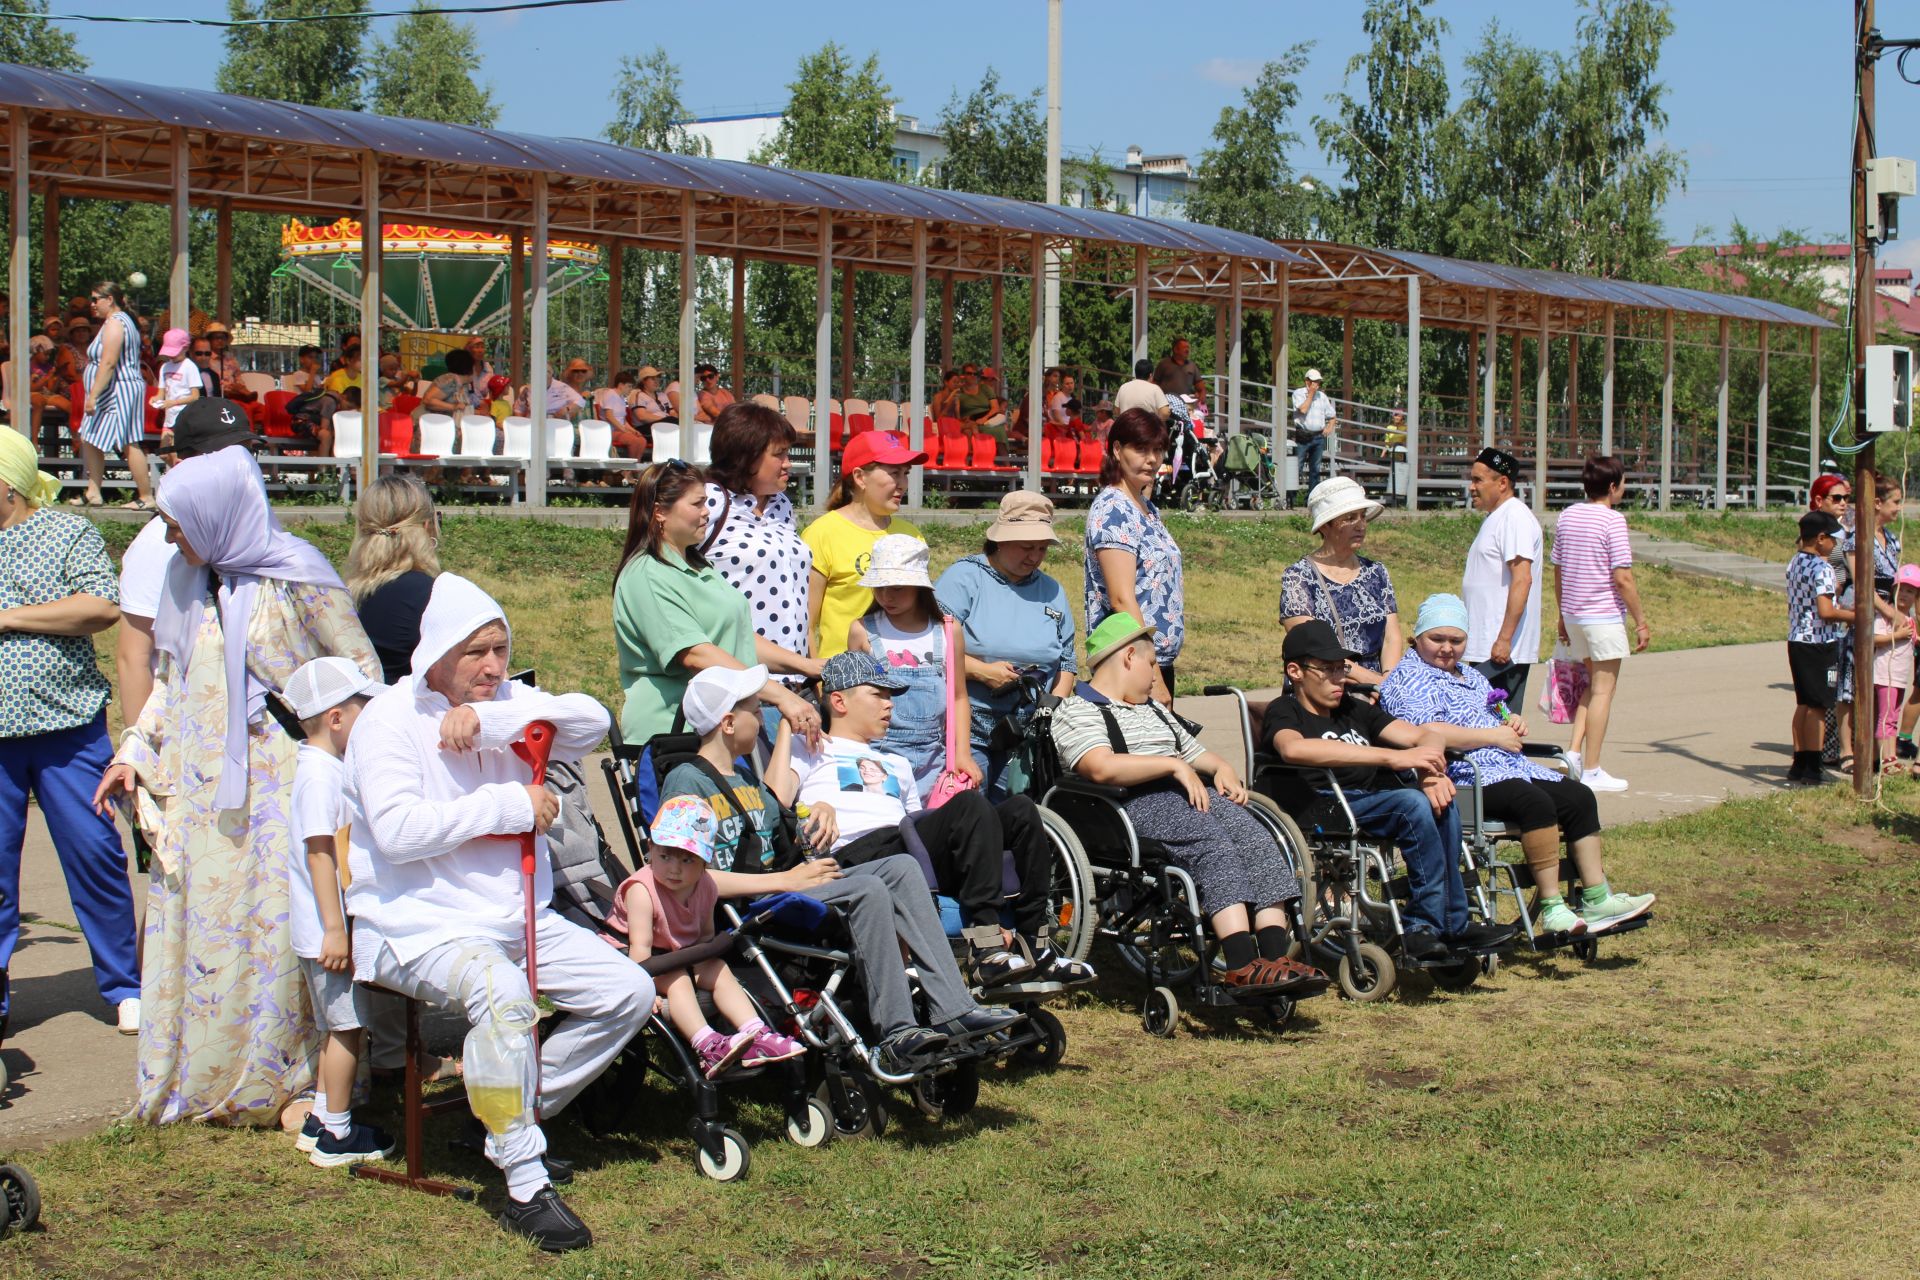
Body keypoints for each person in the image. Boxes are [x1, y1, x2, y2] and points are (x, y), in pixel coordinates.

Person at [344, 573, 650, 1251]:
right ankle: (523, 1180)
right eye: (474, 651)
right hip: (416, 925)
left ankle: (507, 1117)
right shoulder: (387, 721)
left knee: (630, 990)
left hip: (514, 918)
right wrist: (509, 810)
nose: (491, 665)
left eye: (500, 649)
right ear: (436, 653)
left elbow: (593, 721)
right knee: (504, 994)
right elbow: (397, 832)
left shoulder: (506, 701)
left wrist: (492, 720)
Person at [92, 443, 381, 1125]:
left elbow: (361, 675)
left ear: (219, 516)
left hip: (279, 793)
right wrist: (134, 749)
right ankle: (207, 1079)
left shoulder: (296, 579)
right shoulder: (184, 580)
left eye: (178, 523)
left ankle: (288, 1085)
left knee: (277, 934)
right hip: (202, 797)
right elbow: (170, 679)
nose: (169, 537)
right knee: (211, 934)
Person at [663, 665, 1018, 1070]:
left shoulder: (748, 782)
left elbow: (785, 825)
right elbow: (686, 879)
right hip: (746, 906)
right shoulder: (687, 782)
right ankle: (897, 1031)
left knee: (901, 867)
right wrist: (786, 879)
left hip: (784, 885)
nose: (762, 716)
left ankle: (953, 1007)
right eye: (753, 709)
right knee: (868, 888)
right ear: (728, 723)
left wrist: (820, 809)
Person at [1055, 615, 1322, 991]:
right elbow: (1099, 766)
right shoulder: (1078, 710)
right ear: (1129, 656)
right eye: (1152, 665)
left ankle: (1276, 958)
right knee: (1211, 843)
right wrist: (1173, 766)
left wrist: (1222, 767)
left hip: (1186, 795)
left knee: (1257, 837)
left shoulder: (1155, 711)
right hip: (1129, 805)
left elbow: (1196, 753)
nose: (1155, 676)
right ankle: (1241, 961)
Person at [793, 651, 1087, 990]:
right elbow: (777, 797)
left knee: (1021, 810)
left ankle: (1037, 944)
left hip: (906, 850)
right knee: (969, 805)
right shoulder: (811, 748)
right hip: (858, 855)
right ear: (839, 701)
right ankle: (986, 945)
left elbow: (915, 822)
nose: (889, 705)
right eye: (878, 694)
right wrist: (790, 724)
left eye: (891, 696)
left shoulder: (896, 763)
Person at [1379, 594, 1656, 936]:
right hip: (1461, 774)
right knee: (1533, 803)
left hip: (1507, 765)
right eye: (1437, 639)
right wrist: (1493, 736)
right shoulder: (1409, 678)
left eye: (1457, 640)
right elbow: (1425, 732)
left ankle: (1597, 896)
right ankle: (1553, 907)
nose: (1447, 648)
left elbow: (1496, 714)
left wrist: (1510, 722)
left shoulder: (1470, 675)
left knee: (1579, 797)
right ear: (1417, 637)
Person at [1260, 620, 1516, 961]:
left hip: (1369, 802)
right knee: (1411, 803)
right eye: (1328, 670)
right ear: (1295, 671)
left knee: (1439, 797)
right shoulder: (1285, 710)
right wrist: (1392, 758)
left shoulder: (1354, 708)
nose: (1340, 679)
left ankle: (1453, 923)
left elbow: (1423, 735)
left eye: (1343, 668)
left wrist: (1430, 771)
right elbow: (1294, 750)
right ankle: (1421, 927)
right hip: (1319, 804)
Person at [0, 428, 141, 1039]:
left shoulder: (65, 532)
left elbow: (100, 607)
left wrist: (6, 617)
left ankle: (123, 984)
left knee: (93, 855)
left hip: (68, 728)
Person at [613, 460, 822, 752]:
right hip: (677, 736)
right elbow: (696, 654)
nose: (707, 512)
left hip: (724, 729)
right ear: (660, 512)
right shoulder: (646, 575)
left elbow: (738, 638)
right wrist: (778, 694)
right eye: (698, 504)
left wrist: (808, 666)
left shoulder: (699, 566)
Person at [282, 656, 396, 1168]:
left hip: (324, 928)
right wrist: (336, 929)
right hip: (327, 931)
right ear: (334, 718)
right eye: (360, 710)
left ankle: (323, 1118)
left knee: (337, 1026)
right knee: (347, 1028)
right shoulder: (321, 777)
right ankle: (337, 1133)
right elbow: (320, 854)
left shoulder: (322, 769)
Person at [608, 794, 804, 1078]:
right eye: (665, 856)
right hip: (634, 959)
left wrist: (704, 966)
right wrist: (643, 987)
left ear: (705, 861)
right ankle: (707, 1046)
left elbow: (704, 941)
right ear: (650, 849)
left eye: (687, 859)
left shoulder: (705, 886)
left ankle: (755, 1033)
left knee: (718, 968)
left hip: (675, 953)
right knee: (678, 980)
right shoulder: (642, 890)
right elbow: (640, 950)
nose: (674, 869)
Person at [114, 398, 261, 730]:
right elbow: (133, 658)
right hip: (184, 730)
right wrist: (143, 761)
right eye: (223, 454)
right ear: (181, 460)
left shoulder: (254, 529)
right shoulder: (160, 542)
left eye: (246, 451)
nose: (240, 464)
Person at [935, 491, 1079, 800]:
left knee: (1018, 813)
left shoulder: (1052, 591)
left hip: (1028, 729)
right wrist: (981, 672)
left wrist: (1052, 706)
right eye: (1027, 547)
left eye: (1042, 548)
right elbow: (931, 647)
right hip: (968, 725)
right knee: (972, 807)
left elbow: (1067, 660)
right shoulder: (964, 579)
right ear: (1000, 541)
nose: (1035, 556)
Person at [701, 402, 818, 726]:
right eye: (778, 454)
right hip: (741, 690)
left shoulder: (781, 504)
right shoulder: (710, 501)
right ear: (745, 455)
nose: (788, 464)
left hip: (797, 684)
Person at [847, 534, 980, 800]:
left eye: (897, 587)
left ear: (920, 586)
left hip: (935, 758)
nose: (886, 596)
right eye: (879, 587)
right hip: (878, 756)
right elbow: (853, 702)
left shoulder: (948, 630)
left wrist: (962, 753)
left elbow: (958, 696)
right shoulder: (862, 630)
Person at [1551, 455, 1650, 793]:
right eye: (1622, 483)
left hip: (1576, 615)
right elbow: (1622, 577)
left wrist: (1562, 614)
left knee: (1593, 686)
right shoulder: (1612, 521)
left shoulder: (1567, 516)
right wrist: (1641, 621)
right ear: (1612, 486)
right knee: (1604, 690)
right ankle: (1592, 770)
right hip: (1603, 616)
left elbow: (1559, 570)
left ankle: (1575, 754)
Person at [1085, 407, 1184, 706]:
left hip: (1152, 660)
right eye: (1140, 449)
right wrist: (1151, 672)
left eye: (1158, 450)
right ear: (1117, 449)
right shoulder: (1114, 509)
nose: (1152, 459)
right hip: (1129, 663)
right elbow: (1121, 599)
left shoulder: (1145, 507)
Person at [802, 430, 927, 661]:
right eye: (894, 473)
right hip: (847, 683)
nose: (903, 484)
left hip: (904, 676)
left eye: (905, 473)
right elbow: (805, 624)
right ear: (860, 478)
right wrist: (819, 683)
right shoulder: (822, 534)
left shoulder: (912, 536)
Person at [1280, 477, 1401, 684]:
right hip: (1324, 685)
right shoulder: (1299, 576)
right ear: (1325, 526)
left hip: (1378, 688)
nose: (1361, 525)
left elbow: (1392, 637)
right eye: (1350, 518)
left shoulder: (1377, 571)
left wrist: (1388, 682)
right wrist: (1373, 682)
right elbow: (1312, 646)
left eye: (1362, 517)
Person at [1462, 446, 1543, 706]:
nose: (1471, 487)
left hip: (1501, 652)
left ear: (1503, 482)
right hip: (1487, 644)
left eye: (1478, 480)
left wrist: (1504, 639)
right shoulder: (1496, 517)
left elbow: (1522, 579)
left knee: (1500, 729)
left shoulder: (1515, 517)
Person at [345, 474, 442, 686]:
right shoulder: (432, 594)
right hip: (411, 712)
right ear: (427, 527)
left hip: (356, 708)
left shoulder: (343, 594)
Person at [1785, 510, 1855, 784]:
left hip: (1797, 639)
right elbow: (1826, 611)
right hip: (1818, 641)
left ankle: (1800, 762)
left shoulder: (1795, 562)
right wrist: (1854, 615)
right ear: (1821, 538)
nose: (1836, 546)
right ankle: (1813, 765)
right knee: (1818, 706)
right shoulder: (1822, 568)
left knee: (1804, 703)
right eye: (1834, 541)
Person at [72, 281, 154, 512]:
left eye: (96, 299)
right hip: (112, 389)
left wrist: (93, 395)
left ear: (110, 300)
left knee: (128, 440)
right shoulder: (113, 322)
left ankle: (146, 496)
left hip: (119, 389)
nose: (92, 304)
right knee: (89, 435)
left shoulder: (116, 323)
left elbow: (108, 362)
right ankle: (93, 491)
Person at [1872, 566, 1920, 774]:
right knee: (1886, 717)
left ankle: (1890, 756)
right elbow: (1873, 639)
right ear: (1893, 590)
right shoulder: (1886, 615)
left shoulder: (1909, 618)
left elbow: (1915, 640)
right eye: (1901, 589)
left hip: (1899, 676)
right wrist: (1897, 636)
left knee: (1892, 716)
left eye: (1910, 591)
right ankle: (1886, 759)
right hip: (1885, 674)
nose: (1904, 595)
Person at [1289, 368, 1337, 494]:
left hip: (1318, 437)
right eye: (1315, 381)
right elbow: (1303, 410)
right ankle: (1290, 498)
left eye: (1318, 382)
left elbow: (1332, 415)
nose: (1317, 385)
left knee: (1315, 469)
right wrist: (1310, 394)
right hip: (1303, 435)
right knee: (1297, 467)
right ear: (1307, 382)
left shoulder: (1322, 397)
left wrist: (1330, 427)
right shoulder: (1298, 393)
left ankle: (1311, 498)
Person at [151, 327, 199, 450]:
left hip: (184, 418)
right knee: (164, 452)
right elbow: (161, 393)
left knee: (177, 453)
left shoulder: (189, 367)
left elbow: (195, 396)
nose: (172, 356)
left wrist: (173, 402)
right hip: (169, 418)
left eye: (175, 352)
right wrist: (155, 399)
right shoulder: (165, 367)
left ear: (186, 348)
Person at [953, 364, 1007, 439]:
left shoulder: (985, 389)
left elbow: (995, 408)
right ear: (963, 375)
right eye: (969, 373)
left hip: (987, 419)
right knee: (993, 430)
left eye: (975, 374)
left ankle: (1000, 450)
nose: (972, 376)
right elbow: (956, 415)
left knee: (999, 430)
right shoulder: (958, 392)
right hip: (971, 421)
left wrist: (984, 418)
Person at [203, 322, 252, 402]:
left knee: (258, 407)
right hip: (218, 396)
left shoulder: (230, 358)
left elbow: (238, 377)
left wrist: (240, 387)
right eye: (216, 338)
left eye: (223, 338)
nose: (220, 340)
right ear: (209, 340)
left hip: (235, 394)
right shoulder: (206, 358)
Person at [1152, 337, 1206, 408]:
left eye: (1188, 348)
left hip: (1186, 406)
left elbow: (1201, 387)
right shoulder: (1163, 364)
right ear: (1176, 350)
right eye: (1184, 347)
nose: (1187, 350)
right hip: (1167, 405)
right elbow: (1154, 385)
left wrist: (1201, 396)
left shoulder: (1192, 366)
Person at [421, 349, 475, 419]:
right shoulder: (450, 381)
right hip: (428, 423)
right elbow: (428, 400)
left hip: (443, 423)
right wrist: (453, 407)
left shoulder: (464, 384)